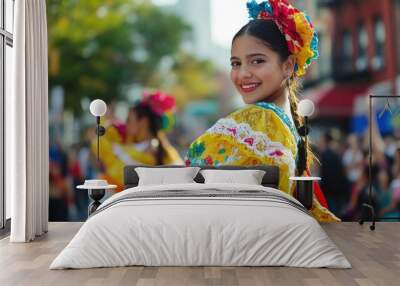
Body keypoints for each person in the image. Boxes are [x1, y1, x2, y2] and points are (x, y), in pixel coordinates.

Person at [185, 0, 339, 222]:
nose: (243, 74)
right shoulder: (289, 124)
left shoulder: (259, 119)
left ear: (288, 65)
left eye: (257, 61)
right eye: (236, 64)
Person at [92, 91, 183, 191]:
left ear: (143, 121)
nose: (125, 124)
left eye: (129, 120)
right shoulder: (135, 145)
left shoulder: (150, 151)